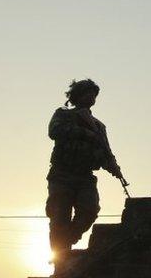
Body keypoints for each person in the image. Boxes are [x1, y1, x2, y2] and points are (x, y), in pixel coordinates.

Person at [45, 79, 123, 275]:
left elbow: (105, 151)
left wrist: (113, 167)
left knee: (90, 210)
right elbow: (54, 132)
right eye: (87, 93)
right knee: (59, 217)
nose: (91, 97)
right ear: (76, 96)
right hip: (62, 174)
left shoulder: (98, 126)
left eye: (94, 95)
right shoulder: (63, 114)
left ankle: (65, 242)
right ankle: (60, 261)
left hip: (84, 176)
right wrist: (85, 133)